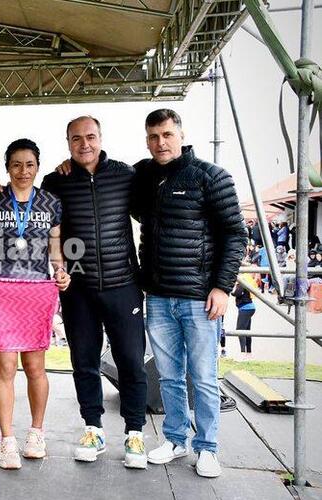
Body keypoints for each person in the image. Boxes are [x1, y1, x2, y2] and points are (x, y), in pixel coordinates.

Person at [134, 109, 247, 478]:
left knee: (203, 378)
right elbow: (107, 179)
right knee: (168, 377)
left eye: (167, 134)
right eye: (153, 136)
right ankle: (175, 439)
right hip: (158, 298)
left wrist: (222, 286)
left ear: (181, 135)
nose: (160, 143)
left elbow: (236, 234)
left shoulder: (210, 176)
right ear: (147, 140)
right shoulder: (144, 176)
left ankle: (208, 447)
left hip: (200, 299)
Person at [42, 116, 148, 469]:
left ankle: (135, 433)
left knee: (131, 361)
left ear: (101, 138)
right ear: (68, 143)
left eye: (90, 136)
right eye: (76, 138)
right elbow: (48, 230)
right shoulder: (55, 180)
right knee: (84, 362)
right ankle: (93, 429)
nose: (84, 144)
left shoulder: (125, 175)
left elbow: (150, 212)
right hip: (78, 288)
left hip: (123, 285)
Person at [0, 138, 70, 470]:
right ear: (7, 167)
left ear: (38, 167)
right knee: (6, 367)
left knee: (35, 367)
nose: (23, 171)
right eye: (16, 164)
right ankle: (7, 441)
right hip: (1, 292)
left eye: (30, 164)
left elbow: (56, 248)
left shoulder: (51, 202)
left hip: (36, 292)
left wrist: (61, 271)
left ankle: (36, 434)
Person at [232, 274, 257, 360]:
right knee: (247, 331)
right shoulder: (246, 282)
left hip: (245, 308)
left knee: (240, 330)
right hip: (249, 308)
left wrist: (234, 286)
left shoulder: (241, 283)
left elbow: (236, 293)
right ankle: (249, 354)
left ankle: (242, 354)